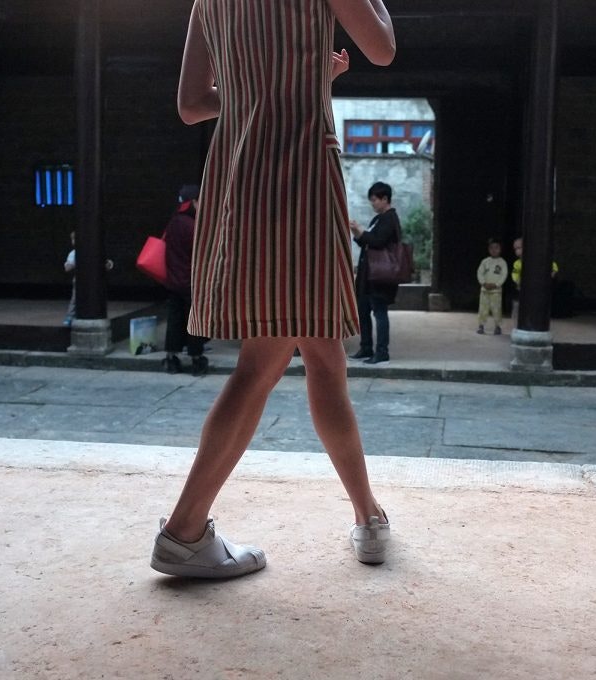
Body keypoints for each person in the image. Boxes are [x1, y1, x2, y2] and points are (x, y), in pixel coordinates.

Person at [151, 0, 396, 579]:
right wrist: (305, 85)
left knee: (323, 353)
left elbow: (192, 106)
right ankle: (183, 531)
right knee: (263, 363)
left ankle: (369, 514)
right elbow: (382, 46)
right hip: (301, 175)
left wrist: (272, 89)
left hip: (240, 176)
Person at [348, 181, 400, 366]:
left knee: (379, 313)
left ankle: (382, 351)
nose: (373, 204)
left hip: (380, 277)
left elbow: (378, 242)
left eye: (375, 200)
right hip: (368, 276)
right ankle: (366, 347)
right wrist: (358, 233)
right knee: (363, 311)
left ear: (385, 199)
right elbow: (367, 243)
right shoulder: (378, 219)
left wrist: (361, 232)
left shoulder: (389, 219)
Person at [162, 184, 208, 376]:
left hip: (173, 281)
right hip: (191, 283)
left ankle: (171, 358)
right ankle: (196, 359)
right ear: (193, 203)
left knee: (174, 319)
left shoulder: (173, 224)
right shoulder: (193, 226)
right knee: (194, 321)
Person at [510, 237, 574, 319]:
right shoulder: (517, 263)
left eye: (519, 248)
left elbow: (551, 264)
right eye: (515, 249)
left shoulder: (536, 258)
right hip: (523, 287)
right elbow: (515, 273)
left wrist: (553, 271)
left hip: (536, 286)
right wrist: (517, 280)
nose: (517, 251)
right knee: (520, 303)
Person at [63, 231, 113, 326]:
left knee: (94, 297)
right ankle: (70, 316)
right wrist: (71, 264)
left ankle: (94, 314)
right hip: (79, 280)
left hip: (93, 280)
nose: (74, 242)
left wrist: (108, 264)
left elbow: (106, 263)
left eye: (76, 239)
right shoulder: (74, 253)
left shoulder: (94, 251)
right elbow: (67, 267)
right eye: (73, 239)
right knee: (75, 298)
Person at [476, 238, 508, 335]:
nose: (494, 250)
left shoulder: (502, 263)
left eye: (496, 248)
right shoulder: (485, 262)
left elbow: (504, 275)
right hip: (484, 290)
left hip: (496, 291)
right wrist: (484, 283)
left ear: (500, 249)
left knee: (497, 310)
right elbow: (479, 273)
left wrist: (496, 285)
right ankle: (481, 326)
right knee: (483, 309)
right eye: (491, 248)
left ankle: (497, 327)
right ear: (488, 249)